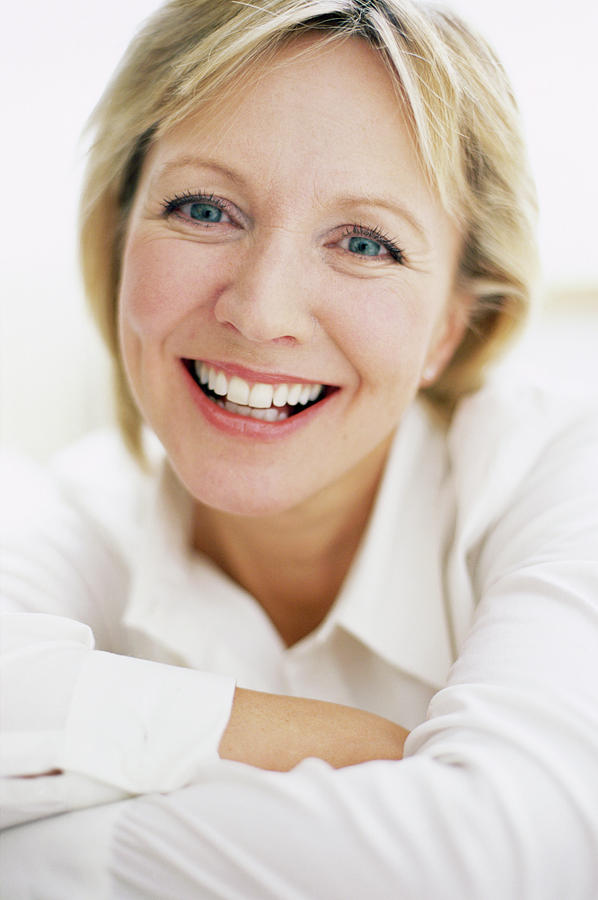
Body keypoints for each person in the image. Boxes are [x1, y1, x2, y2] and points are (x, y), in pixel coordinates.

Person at [1, 0, 597, 896]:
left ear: (452, 328)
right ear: (117, 239)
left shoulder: (561, 475)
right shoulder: (61, 519)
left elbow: (507, 858)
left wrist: (48, 859)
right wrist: (348, 747)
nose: (262, 311)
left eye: (366, 243)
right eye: (204, 209)